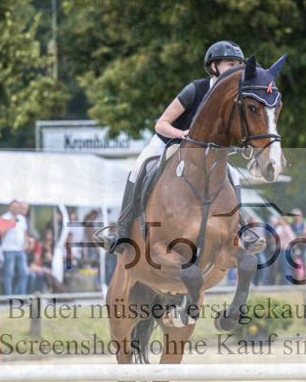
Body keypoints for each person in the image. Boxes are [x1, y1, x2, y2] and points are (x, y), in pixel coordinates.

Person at [97, 40, 264, 254]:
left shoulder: (233, 97)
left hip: (202, 154)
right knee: (140, 168)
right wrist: (181, 134)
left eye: (239, 64)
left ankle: (240, 233)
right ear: (213, 66)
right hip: (169, 142)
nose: (236, 69)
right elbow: (161, 124)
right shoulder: (195, 89)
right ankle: (121, 233)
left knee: (234, 175)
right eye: (231, 64)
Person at [0, 200, 28, 296]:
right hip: (8, 249)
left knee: (24, 273)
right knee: (9, 274)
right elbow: (1, 234)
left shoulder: (22, 219)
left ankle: (21, 295)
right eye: (13, 207)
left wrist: (26, 244)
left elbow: (25, 232)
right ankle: (9, 297)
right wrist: (9, 224)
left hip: (20, 249)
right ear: (9, 207)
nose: (15, 209)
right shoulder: (4, 218)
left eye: (17, 207)